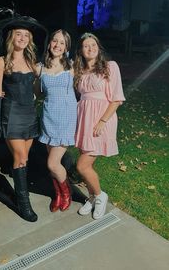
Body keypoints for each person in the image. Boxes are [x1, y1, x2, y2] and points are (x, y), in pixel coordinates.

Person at [0, 10, 47, 222]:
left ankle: (19, 188)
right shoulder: (1, 61)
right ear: (11, 37)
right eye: (18, 34)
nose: (22, 38)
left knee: (24, 157)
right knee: (21, 157)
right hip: (11, 114)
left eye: (26, 35)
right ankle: (23, 204)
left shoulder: (32, 61)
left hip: (29, 113)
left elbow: (37, 90)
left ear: (29, 39)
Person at [74, 32, 125, 219]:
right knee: (85, 164)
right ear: (81, 50)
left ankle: (100, 196)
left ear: (98, 47)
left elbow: (117, 98)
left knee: (82, 166)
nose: (90, 48)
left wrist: (102, 121)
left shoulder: (110, 67)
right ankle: (92, 198)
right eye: (86, 45)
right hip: (84, 120)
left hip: (100, 121)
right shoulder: (79, 70)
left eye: (93, 45)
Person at [37, 29, 77, 212]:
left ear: (66, 47)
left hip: (66, 118)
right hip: (48, 117)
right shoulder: (39, 67)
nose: (57, 45)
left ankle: (67, 193)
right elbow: (36, 93)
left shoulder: (72, 66)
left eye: (62, 42)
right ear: (49, 43)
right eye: (55, 41)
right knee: (53, 164)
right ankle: (58, 195)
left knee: (52, 163)